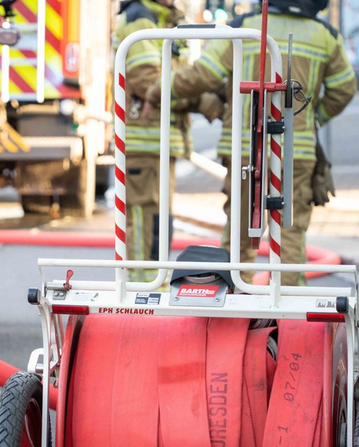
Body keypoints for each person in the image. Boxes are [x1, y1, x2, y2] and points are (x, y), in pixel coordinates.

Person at [152, 0, 356, 285]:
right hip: (298, 152)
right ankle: (289, 315)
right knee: (290, 233)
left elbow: (203, 75)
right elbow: (345, 87)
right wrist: (314, 117)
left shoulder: (242, 28)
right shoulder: (325, 35)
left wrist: (157, 89)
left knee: (239, 231)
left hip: (245, 149)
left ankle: (235, 304)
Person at [114, 0, 213, 281]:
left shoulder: (160, 21)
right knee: (144, 217)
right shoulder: (141, 21)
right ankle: (139, 286)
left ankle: (152, 280)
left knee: (158, 218)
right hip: (144, 142)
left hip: (158, 142)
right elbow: (151, 83)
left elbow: (171, 81)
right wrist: (203, 100)